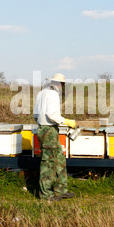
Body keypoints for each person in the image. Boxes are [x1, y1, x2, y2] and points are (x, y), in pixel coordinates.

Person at [33, 73, 77, 202]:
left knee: (59, 159)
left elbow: (36, 114)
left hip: (44, 128)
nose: (63, 87)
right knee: (49, 162)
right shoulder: (53, 94)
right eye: (62, 84)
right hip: (49, 130)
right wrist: (67, 121)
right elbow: (52, 114)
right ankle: (46, 195)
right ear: (58, 84)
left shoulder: (41, 93)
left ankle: (60, 190)